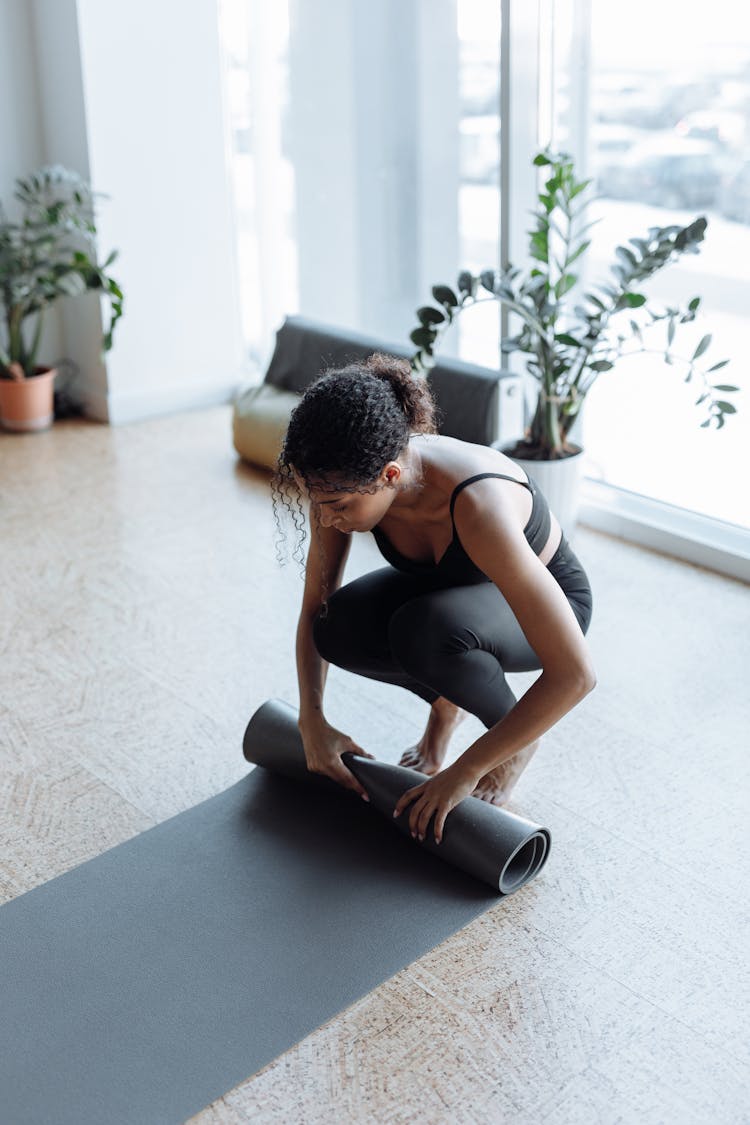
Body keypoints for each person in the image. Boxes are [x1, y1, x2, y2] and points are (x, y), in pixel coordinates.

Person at [272, 352, 595, 847]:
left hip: (553, 601)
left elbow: (576, 674)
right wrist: (310, 720)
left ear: (390, 476)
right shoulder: (338, 484)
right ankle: (447, 704)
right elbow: (314, 604)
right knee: (336, 626)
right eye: (317, 503)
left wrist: (464, 772)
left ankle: (515, 741)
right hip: (454, 594)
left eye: (338, 506)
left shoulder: (476, 503)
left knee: (424, 633)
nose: (326, 517)